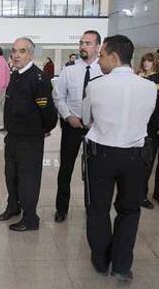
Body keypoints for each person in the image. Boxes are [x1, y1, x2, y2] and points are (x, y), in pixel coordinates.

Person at [82, 35, 156, 282]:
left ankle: (101, 260)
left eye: (102, 55)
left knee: (98, 209)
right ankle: (122, 265)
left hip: (101, 156)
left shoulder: (95, 85)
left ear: (114, 57)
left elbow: (84, 119)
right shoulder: (149, 87)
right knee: (129, 210)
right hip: (136, 157)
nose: (99, 59)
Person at [0, 37, 58, 232]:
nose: (15, 55)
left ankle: (30, 218)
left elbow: (48, 113)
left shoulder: (38, 79)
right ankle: (14, 206)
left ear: (31, 54)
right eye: (14, 51)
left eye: (21, 51)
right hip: (13, 137)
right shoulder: (16, 75)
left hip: (30, 140)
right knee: (11, 175)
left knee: (28, 179)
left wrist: (42, 130)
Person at [53, 30, 103, 223]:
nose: (83, 46)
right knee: (65, 168)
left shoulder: (104, 70)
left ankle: (92, 208)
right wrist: (68, 116)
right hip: (72, 126)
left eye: (88, 43)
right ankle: (61, 209)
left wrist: (96, 120)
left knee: (95, 171)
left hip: (96, 128)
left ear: (98, 47)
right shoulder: (70, 69)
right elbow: (58, 96)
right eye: (81, 42)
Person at [138, 52, 159, 208]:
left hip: (155, 125)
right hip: (142, 126)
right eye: (145, 61)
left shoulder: (157, 79)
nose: (146, 64)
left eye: (149, 61)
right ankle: (140, 195)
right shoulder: (137, 78)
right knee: (145, 162)